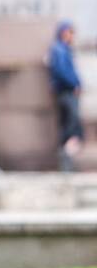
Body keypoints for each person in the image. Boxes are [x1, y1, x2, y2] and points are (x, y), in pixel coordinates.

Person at [49, 21, 84, 171]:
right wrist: (74, 84)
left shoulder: (63, 49)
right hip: (66, 92)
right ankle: (66, 163)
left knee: (68, 125)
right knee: (72, 125)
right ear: (64, 32)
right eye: (70, 33)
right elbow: (62, 71)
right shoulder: (59, 50)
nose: (72, 36)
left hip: (66, 91)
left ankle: (67, 164)